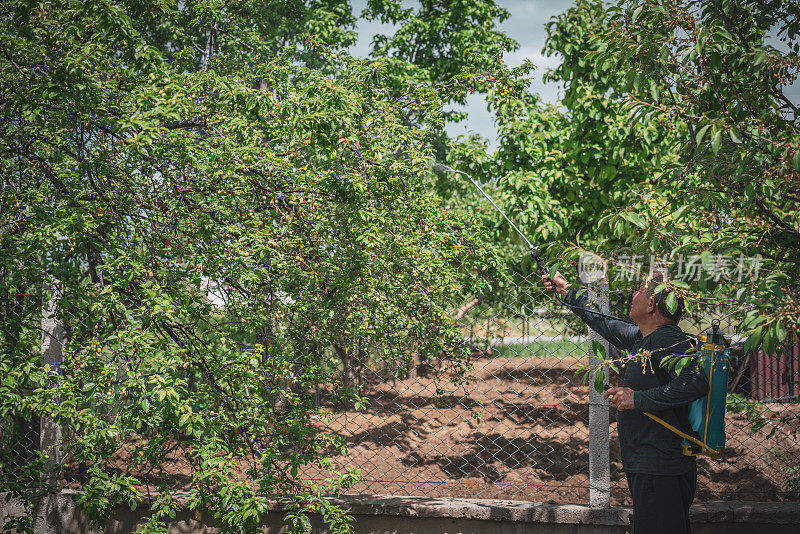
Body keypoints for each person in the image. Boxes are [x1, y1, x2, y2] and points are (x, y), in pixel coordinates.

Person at [542, 270, 709, 534]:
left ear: (652, 305)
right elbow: (603, 322)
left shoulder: (667, 337)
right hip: (650, 465)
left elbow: (695, 382)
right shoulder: (644, 338)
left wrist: (637, 398)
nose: (633, 294)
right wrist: (567, 291)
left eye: (639, 290)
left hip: (661, 467)